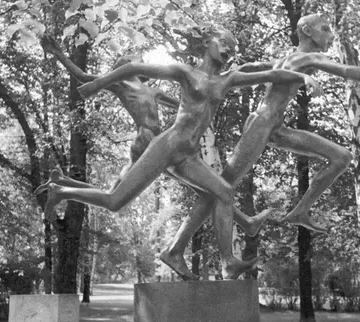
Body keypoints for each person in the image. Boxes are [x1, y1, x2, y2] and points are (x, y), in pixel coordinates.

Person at [40, 25, 320, 280]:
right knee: (114, 201)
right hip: (167, 146)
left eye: (232, 48)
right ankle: (61, 191)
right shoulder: (184, 72)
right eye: (223, 43)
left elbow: (271, 74)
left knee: (224, 192)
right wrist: (97, 84)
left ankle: (225, 261)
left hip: (189, 155)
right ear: (207, 43)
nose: (228, 50)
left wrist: (301, 76)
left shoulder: (228, 79)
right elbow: (132, 68)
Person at [162, 14, 360, 280]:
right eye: (325, 29)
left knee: (341, 157)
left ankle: (299, 211)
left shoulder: (289, 58)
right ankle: (177, 250)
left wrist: (227, 72)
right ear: (307, 31)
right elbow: (347, 71)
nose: (330, 35)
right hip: (261, 126)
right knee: (220, 189)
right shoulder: (307, 58)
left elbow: (251, 67)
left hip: (275, 128)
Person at [35, 35, 271, 237]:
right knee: (204, 189)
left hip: (158, 141)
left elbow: (186, 102)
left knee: (116, 196)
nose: (139, 62)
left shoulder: (153, 90)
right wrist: (59, 54)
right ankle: (245, 221)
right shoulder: (121, 84)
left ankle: (65, 184)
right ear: (124, 65)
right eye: (135, 60)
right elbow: (83, 76)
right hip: (148, 142)